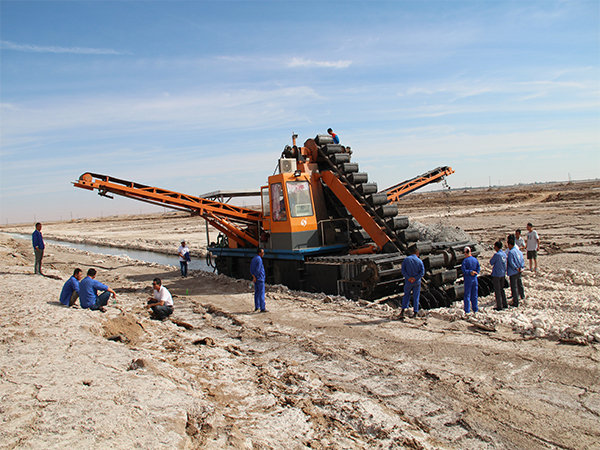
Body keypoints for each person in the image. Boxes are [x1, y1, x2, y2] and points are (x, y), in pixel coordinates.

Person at [399, 245, 425, 318]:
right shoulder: (419, 261)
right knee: (416, 296)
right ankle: (415, 312)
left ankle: (403, 311)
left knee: (406, 295)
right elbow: (422, 273)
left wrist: (408, 278)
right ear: (418, 254)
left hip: (408, 281)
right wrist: (415, 278)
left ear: (411, 253)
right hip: (416, 282)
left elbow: (403, 270)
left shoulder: (406, 259)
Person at [507, 234, 525, 307]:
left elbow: (511, 262)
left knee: (514, 287)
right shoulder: (519, 251)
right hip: (519, 270)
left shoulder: (511, 252)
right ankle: (522, 296)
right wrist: (521, 267)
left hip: (513, 271)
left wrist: (516, 267)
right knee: (519, 283)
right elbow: (522, 260)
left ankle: (516, 301)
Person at [489, 241, 508, 311]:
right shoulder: (504, 254)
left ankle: (499, 305)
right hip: (502, 274)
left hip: (496, 274)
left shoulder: (497, 255)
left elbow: (491, 262)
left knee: (497, 290)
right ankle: (505, 303)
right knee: (502, 289)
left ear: (496, 247)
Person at [461, 246, 480, 314]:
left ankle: (467, 310)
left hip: (468, 280)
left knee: (467, 295)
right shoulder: (475, 260)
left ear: (465, 253)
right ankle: (475, 309)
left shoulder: (465, 261)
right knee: (474, 295)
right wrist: (475, 273)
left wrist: (470, 272)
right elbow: (478, 269)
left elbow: (463, 270)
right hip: (475, 280)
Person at [250, 248, 267, 312]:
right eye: (262, 253)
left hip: (256, 278)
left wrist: (253, 276)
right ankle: (262, 307)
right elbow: (258, 269)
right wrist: (256, 277)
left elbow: (251, 269)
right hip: (260, 278)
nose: (263, 254)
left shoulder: (253, 259)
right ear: (259, 253)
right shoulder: (259, 259)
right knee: (261, 292)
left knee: (257, 292)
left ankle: (257, 306)